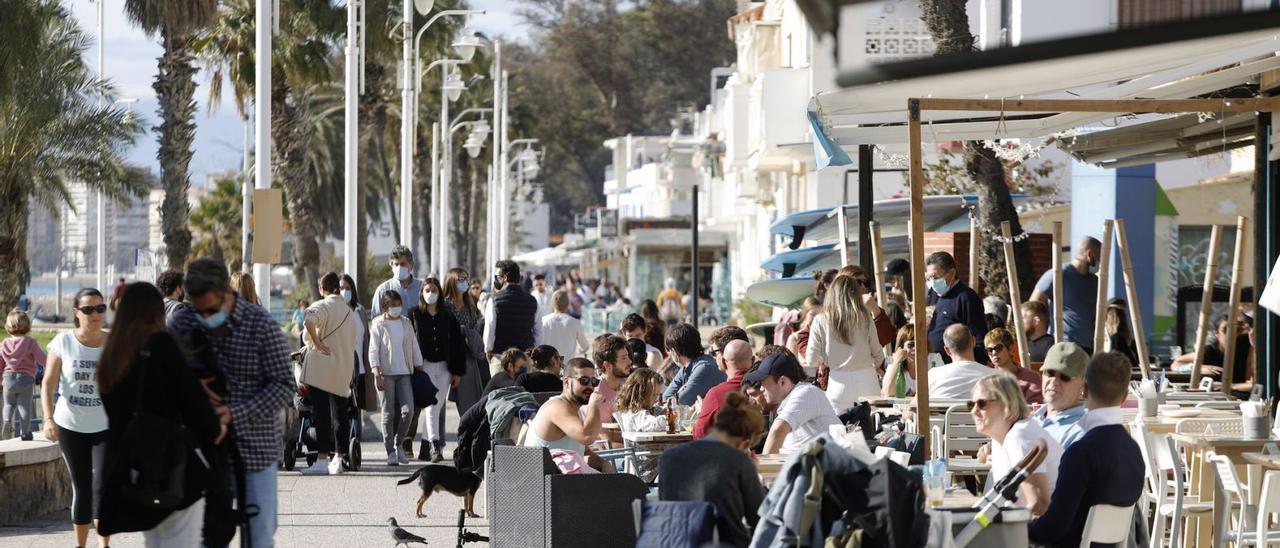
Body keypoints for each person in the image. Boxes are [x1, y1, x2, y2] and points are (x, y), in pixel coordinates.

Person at [168, 258, 294, 548]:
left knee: (259, 536)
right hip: (201, 454)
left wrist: (233, 412)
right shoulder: (183, 321)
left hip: (255, 451)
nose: (204, 316)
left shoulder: (260, 325)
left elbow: (284, 386)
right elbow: (161, 374)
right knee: (204, 537)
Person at [95, 282, 223, 544]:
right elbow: (193, 404)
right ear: (156, 312)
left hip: (137, 472)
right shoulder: (161, 345)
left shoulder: (112, 356)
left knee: (154, 540)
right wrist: (215, 430)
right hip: (173, 464)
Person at [1028, 352, 1145, 547]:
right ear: (1124, 396)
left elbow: (1052, 529)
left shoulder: (1080, 453)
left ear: (1084, 390)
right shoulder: (1133, 451)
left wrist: (1017, 526)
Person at [42, 288, 111, 548]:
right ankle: (80, 545)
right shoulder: (63, 342)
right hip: (70, 425)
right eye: (88, 309)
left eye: (100, 309)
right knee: (81, 486)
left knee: (102, 485)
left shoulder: (113, 343)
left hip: (105, 426)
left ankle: (104, 545)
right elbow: (48, 384)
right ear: (77, 312)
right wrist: (48, 419)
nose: (95, 314)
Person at [659, 392, 766, 547]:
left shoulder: (668, 458)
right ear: (744, 444)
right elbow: (759, 518)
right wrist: (753, 473)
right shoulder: (739, 461)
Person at [970, 373, 1063, 516]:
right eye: (971, 404)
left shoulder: (1020, 436)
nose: (974, 411)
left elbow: (1040, 505)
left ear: (1007, 403)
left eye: (982, 404)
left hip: (1047, 531)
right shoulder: (1002, 438)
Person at [298, 272, 359, 475]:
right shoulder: (349, 311)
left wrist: (316, 343)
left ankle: (322, 459)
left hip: (321, 369)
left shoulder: (323, 305)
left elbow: (308, 320)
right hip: (342, 367)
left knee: (321, 414)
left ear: (322, 288)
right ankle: (339, 459)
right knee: (340, 414)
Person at [408, 277, 465, 462]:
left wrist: (457, 372)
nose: (430, 294)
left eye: (434, 290)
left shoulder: (448, 315)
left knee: (436, 406)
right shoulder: (414, 314)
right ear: (422, 293)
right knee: (431, 407)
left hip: (445, 367)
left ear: (439, 293)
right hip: (424, 366)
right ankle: (435, 446)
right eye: (427, 290)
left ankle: (425, 447)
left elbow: (457, 344)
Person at [807, 275, 885, 409]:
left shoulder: (821, 320)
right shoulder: (865, 317)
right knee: (872, 428)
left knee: (839, 428)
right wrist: (874, 363)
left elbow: (811, 360)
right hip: (867, 382)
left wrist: (824, 360)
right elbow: (878, 354)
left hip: (838, 384)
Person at [368, 290, 424, 466]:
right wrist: (376, 373)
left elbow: (413, 345)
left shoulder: (406, 322)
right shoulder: (378, 324)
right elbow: (373, 350)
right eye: (392, 305)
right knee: (389, 413)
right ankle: (390, 452)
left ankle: (398, 444)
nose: (396, 308)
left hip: (405, 373)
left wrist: (418, 364)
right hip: (385, 373)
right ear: (385, 306)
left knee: (409, 411)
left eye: (398, 304)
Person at [522, 357, 609, 469]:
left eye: (594, 381)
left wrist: (603, 464)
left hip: (563, 480)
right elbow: (587, 437)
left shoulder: (574, 411)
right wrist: (594, 406)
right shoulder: (556, 406)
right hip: (545, 482)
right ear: (567, 382)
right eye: (584, 380)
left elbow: (584, 452)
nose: (590, 387)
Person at [747, 353, 839, 455]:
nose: (761, 388)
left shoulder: (806, 392)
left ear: (782, 381)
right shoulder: (790, 400)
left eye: (764, 382)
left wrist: (762, 468)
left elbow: (778, 430)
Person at [1030, 236, 1101, 351]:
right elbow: (1033, 305)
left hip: (1089, 346)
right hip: (1064, 344)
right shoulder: (1057, 274)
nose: (1100, 261)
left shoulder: (1094, 281)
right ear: (1090, 254)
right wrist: (1044, 337)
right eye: (1099, 256)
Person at [925, 251, 988, 364]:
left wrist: (976, 365)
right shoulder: (940, 296)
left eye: (936, 277)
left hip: (959, 365)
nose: (932, 282)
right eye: (929, 278)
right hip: (938, 363)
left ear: (952, 272)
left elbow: (978, 335)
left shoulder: (966, 297)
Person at [442, 267, 488, 418]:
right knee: (437, 405)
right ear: (452, 281)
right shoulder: (445, 305)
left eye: (466, 279)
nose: (465, 282)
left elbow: (475, 328)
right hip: (446, 357)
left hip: (467, 357)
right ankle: (434, 439)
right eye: (461, 279)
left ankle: (467, 437)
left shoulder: (470, 305)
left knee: (468, 402)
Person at [1171, 314, 1254, 395]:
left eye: (1237, 330)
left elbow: (1252, 384)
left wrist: (1230, 386)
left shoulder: (1247, 351)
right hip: (1211, 396)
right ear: (1217, 333)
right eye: (1225, 330)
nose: (1230, 335)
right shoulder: (1209, 351)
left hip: (1238, 397)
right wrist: (1198, 367)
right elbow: (1176, 364)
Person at [1031, 342, 1088, 449]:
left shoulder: (1082, 433)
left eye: (1065, 376)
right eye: (1050, 372)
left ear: (1083, 386)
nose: (1054, 381)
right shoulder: (1033, 418)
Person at [694, 339, 753, 438]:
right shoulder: (764, 388)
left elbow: (700, 435)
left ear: (724, 362)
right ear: (753, 360)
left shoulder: (716, 394)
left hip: (727, 451)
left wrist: (701, 412)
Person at [483, 260, 541, 361]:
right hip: (524, 356)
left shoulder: (494, 300)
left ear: (504, 278)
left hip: (500, 356)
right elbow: (539, 331)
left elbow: (490, 329)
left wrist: (488, 350)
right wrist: (532, 349)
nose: (496, 280)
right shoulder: (532, 301)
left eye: (497, 277)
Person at [2, 308, 44, 440]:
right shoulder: (31, 343)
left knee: (8, 404)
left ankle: (7, 421)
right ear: (27, 326)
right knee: (24, 407)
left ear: (8, 327)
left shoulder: (3, 344)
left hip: (8, 379)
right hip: (26, 378)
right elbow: (42, 359)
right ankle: (25, 433)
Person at [661, 323, 726, 405]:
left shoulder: (705, 368)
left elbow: (681, 402)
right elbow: (665, 398)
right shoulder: (687, 367)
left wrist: (681, 391)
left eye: (668, 349)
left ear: (674, 351)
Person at [928, 324, 994, 399]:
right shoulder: (995, 377)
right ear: (974, 341)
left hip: (944, 411)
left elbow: (915, 406)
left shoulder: (932, 375)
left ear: (947, 350)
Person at [984, 328, 1042, 405]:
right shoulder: (985, 379)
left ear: (1011, 349)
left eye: (998, 348)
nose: (994, 353)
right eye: (989, 350)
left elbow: (1035, 409)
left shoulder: (1031, 378)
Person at [591, 333, 633, 423]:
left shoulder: (630, 386)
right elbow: (606, 435)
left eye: (628, 356)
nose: (630, 361)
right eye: (624, 358)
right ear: (607, 365)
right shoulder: (598, 395)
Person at [372, 245, 424, 317]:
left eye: (403, 264)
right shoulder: (383, 290)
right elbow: (376, 318)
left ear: (411, 265)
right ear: (391, 265)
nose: (399, 268)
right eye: (396, 264)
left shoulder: (423, 287)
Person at [613, 367, 668, 432]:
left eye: (657, 395)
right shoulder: (636, 414)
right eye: (653, 395)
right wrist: (672, 416)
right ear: (641, 394)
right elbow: (655, 424)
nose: (656, 399)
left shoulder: (637, 410)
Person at [541, 289, 591, 359]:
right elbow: (585, 346)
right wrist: (578, 351)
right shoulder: (575, 322)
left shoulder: (543, 321)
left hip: (547, 365)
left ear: (552, 304)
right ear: (568, 304)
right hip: (567, 366)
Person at [881, 324, 917, 397]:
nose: (916, 349)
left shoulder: (933, 359)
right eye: (911, 345)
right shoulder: (893, 362)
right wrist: (897, 362)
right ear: (901, 347)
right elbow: (887, 392)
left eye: (920, 344)